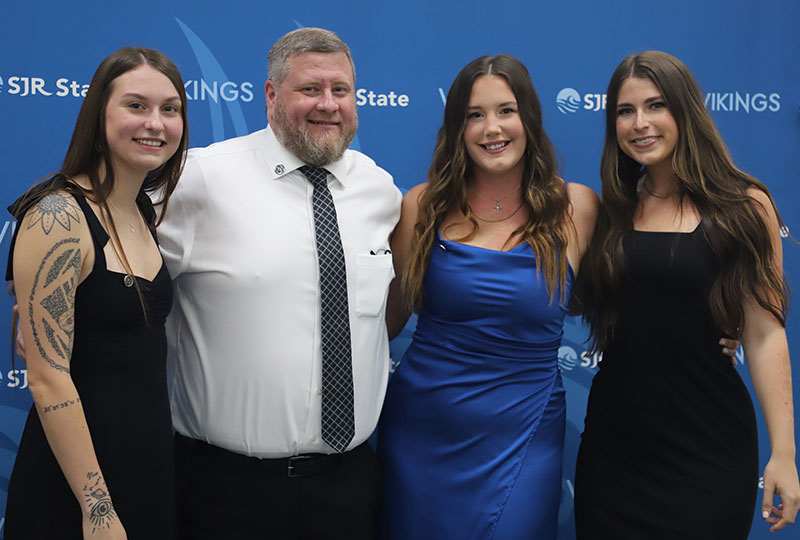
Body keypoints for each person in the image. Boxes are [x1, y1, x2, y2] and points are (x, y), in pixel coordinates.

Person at [155, 27, 401, 539]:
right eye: (309, 89)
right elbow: (107, 238)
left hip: (349, 487)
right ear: (270, 95)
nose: (328, 104)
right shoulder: (200, 178)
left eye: (341, 90)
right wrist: (45, 290)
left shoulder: (379, 189)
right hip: (224, 491)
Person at [574, 50, 800, 538]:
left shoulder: (743, 205)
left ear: (685, 110)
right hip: (614, 452)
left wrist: (783, 452)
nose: (640, 123)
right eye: (625, 111)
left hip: (708, 453)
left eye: (656, 106)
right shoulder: (610, 208)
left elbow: (764, 335)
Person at [378, 54, 599, 539]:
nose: (491, 128)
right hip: (423, 432)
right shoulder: (421, 205)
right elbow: (383, 323)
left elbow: (630, 293)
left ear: (529, 119)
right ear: (457, 126)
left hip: (526, 434)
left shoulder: (576, 208)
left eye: (506, 110)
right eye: (474, 114)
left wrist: (713, 331)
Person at [4, 47, 188, 539]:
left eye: (170, 109)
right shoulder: (57, 215)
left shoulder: (143, 212)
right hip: (77, 491)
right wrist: (97, 510)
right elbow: (47, 380)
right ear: (98, 114)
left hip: (146, 472)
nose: (156, 123)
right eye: (136, 105)